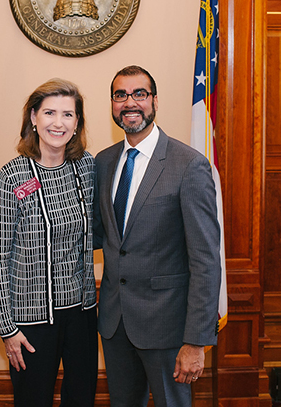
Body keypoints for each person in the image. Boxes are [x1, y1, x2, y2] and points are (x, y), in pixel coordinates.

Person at [93, 65, 221, 407]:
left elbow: (206, 260)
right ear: (112, 104)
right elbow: (100, 237)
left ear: (155, 102)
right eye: (121, 95)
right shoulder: (103, 163)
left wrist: (196, 341)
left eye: (139, 94)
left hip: (168, 328)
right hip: (115, 323)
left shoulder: (189, 165)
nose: (130, 102)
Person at [0, 79, 98, 407]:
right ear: (33, 118)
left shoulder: (87, 168)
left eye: (68, 114)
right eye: (49, 112)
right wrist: (7, 329)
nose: (58, 122)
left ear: (77, 123)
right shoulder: (12, 176)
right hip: (30, 323)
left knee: (81, 399)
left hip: (81, 314)